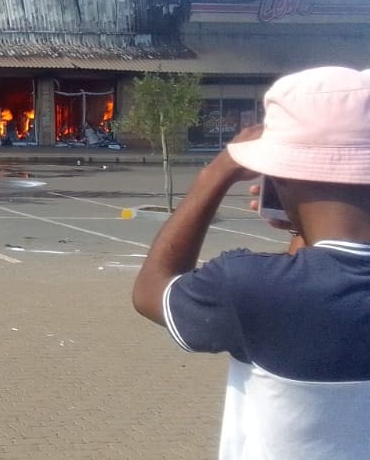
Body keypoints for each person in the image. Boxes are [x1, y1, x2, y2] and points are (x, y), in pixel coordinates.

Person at [132, 66, 370, 459]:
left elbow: (151, 290)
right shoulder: (269, 288)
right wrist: (305, 231)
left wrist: (216, 172)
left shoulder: (246, 287)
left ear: (284, 174)